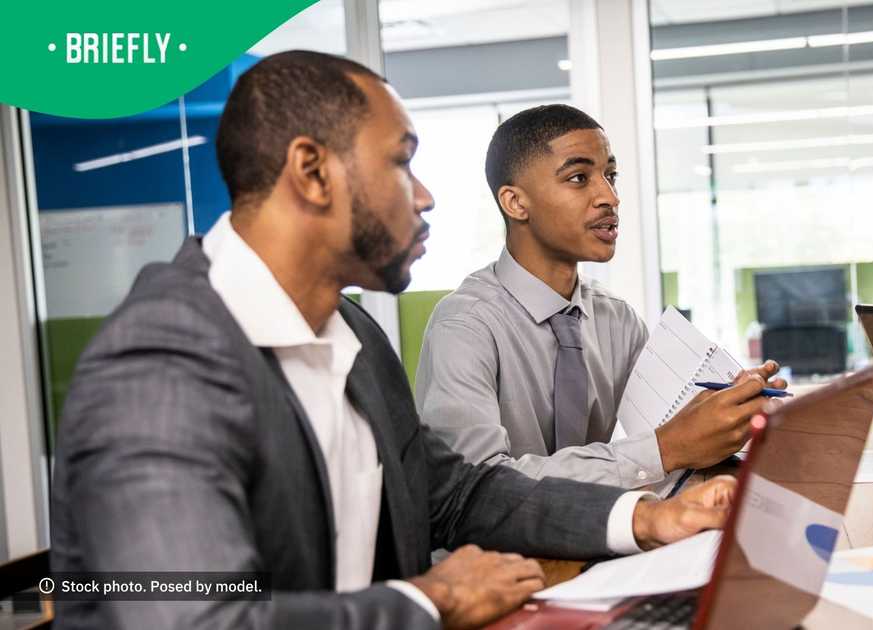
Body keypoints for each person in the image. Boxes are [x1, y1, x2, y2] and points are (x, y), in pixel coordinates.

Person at [49, 51, 743, 630]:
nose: (425, 196)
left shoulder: (351, 334)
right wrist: (430, 600)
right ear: (311, 172)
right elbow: (187, 618)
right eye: (401, 163)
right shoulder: (161, 362)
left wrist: (651, 518)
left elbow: (459, 494)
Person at [415, 104, 782, 489]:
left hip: (599, 542)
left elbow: (683, 443)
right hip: (490, 548)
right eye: (579, 177)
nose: (609, 197)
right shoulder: (464, 327)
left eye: (610, 175)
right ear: (516, 203)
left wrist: (733, 416)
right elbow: (476, 485)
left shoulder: (617, 320)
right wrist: (666, 447)